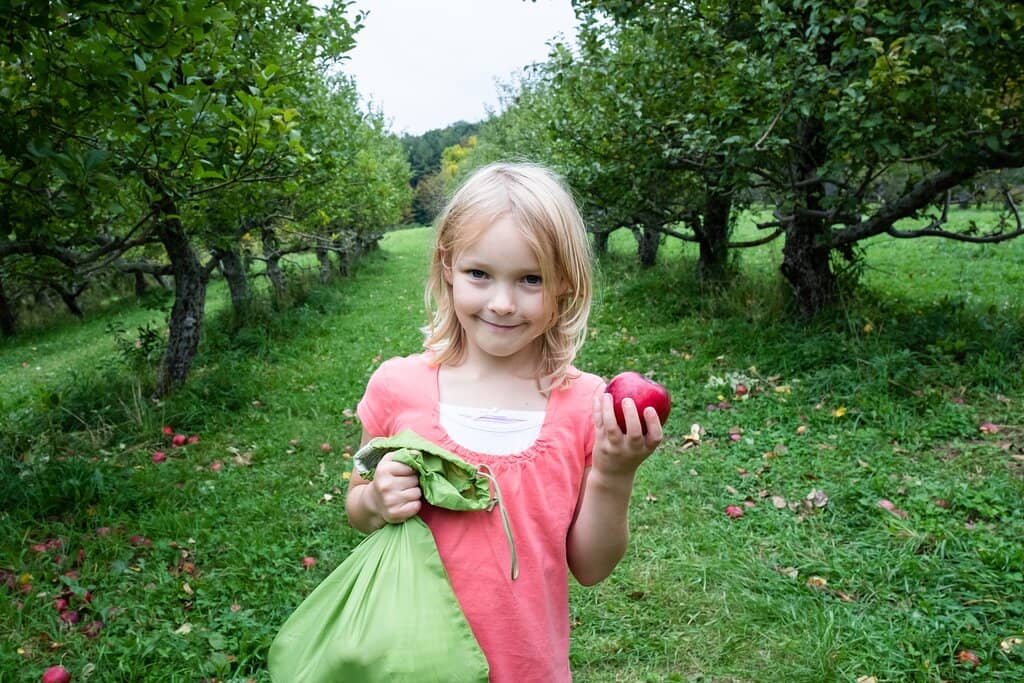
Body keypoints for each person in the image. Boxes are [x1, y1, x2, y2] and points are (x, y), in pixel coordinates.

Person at [345, 161, 664, 682]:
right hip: (410, 665)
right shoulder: (396, 388)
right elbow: (357, 505)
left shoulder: (584, 404)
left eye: (530, 280)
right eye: (480, 274)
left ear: (565, 284)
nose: (502, 303)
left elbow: (591, 567)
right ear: (448, 265)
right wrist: (377, 500)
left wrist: (613, 473)